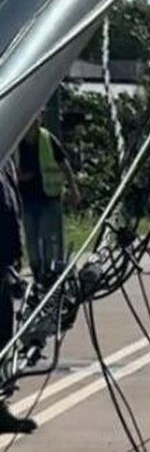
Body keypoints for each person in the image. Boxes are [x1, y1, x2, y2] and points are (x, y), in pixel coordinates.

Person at [0, 157, 38, 435]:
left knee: (3, 336)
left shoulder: (6, 160)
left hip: (4, 265)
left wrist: (15, 263)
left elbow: (12, 212)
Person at [14, 120, 75, 287]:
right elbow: (10, 169)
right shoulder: (16, 141)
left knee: (49, 239)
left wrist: (73, 188)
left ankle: (49, 275)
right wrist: (19, 177)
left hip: (49, 197)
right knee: (31, 244)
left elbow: (64, 165)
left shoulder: (48, 139)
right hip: (27, 200)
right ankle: (37, 275)